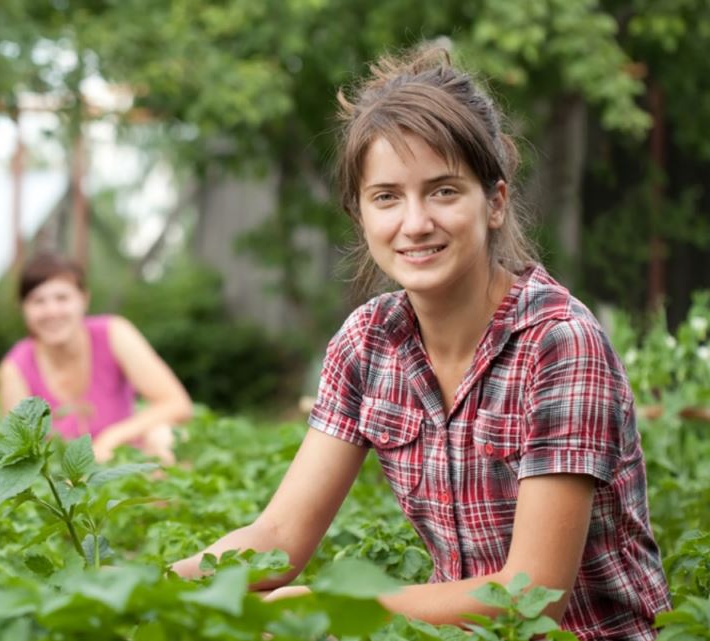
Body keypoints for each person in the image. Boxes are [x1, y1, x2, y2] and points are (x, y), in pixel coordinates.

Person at [171, 47, 670, 640]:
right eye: (386, 197)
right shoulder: (367, 345)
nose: (414, 223)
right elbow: (278, 539)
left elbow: (531, 598)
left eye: (443, 191)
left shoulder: (559, 343)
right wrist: (144, 593)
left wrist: (334, 607)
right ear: (360, 214)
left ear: (495, 202)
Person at [0, 253, 192, 464]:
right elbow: (20, 453)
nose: (51, 311)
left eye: (62, 298)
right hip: (67, 483)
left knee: (164, 435)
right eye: (38, 301)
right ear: (24, 309)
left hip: (128, 465)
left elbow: (177, 404)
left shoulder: (114, 333)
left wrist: (110, 439)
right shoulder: (15, 368)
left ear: (84, 300)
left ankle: (169, 497)